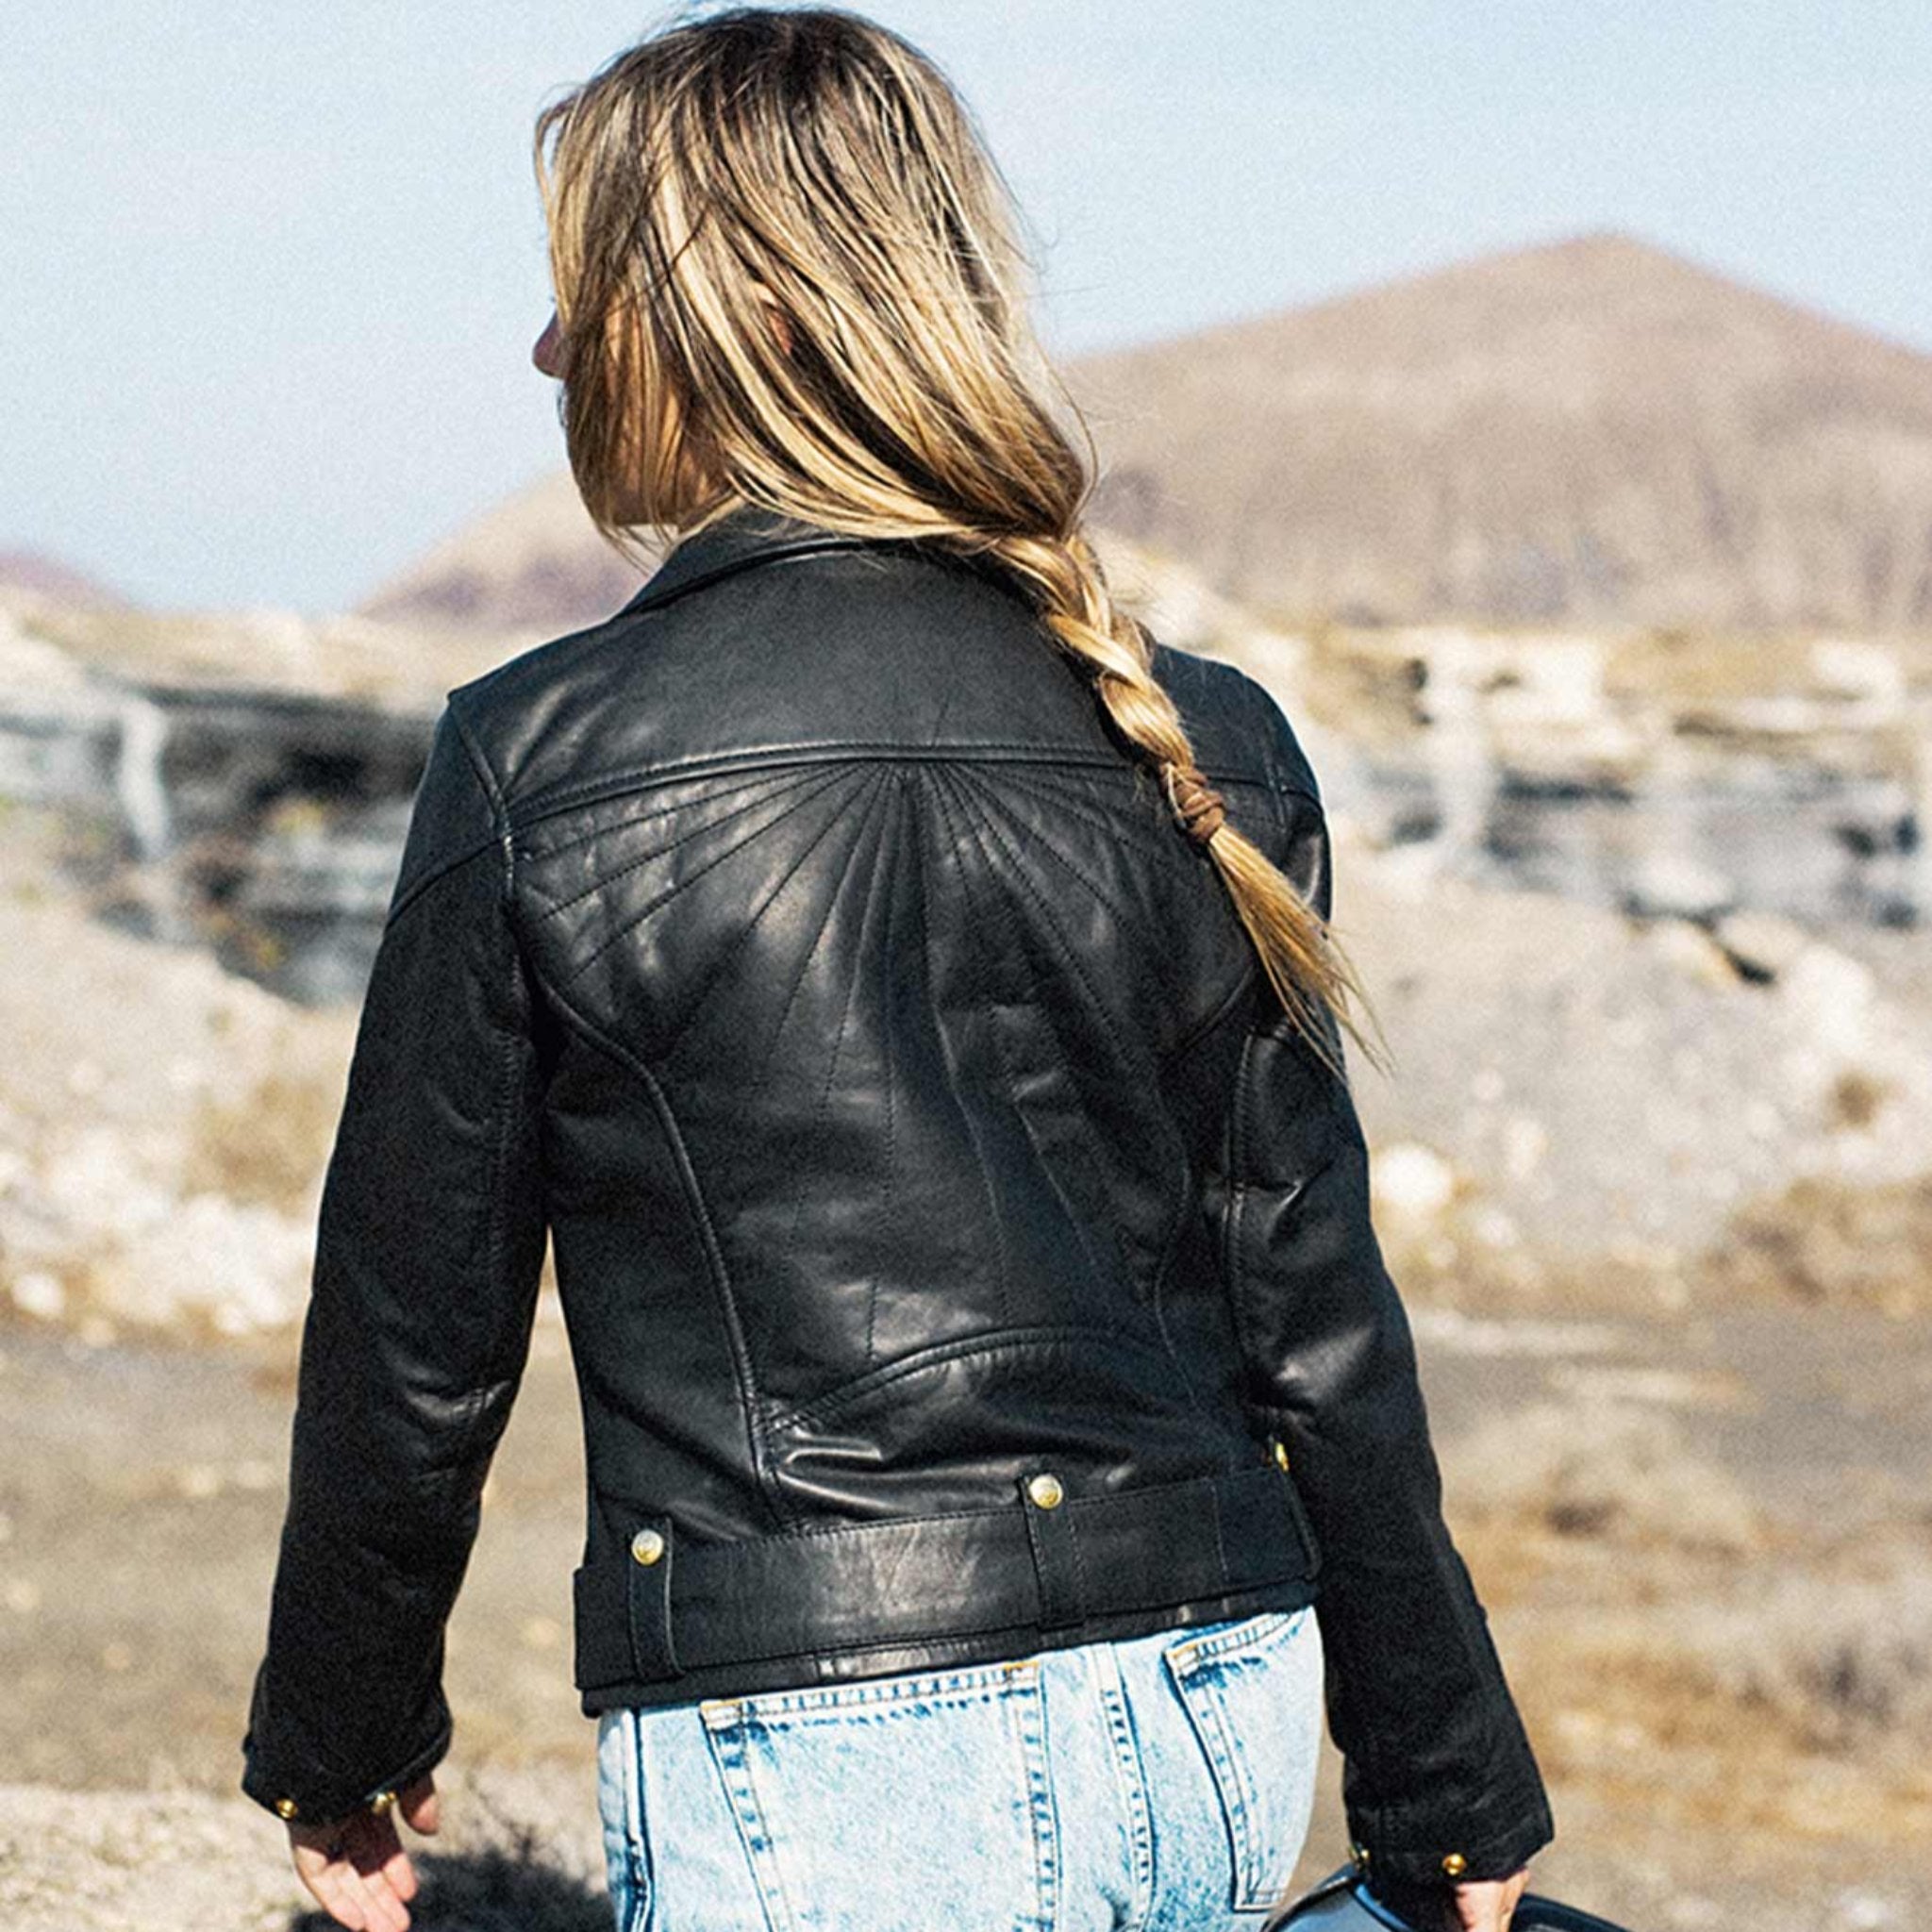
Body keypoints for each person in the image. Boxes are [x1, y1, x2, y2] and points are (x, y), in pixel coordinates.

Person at [241, 9, 1554, 1931]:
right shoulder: (1206, 738)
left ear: (736, 316)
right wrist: (1446, 1789)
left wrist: (340, 1744)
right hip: (1216, 1706)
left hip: (830, 1743)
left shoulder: (536, 759)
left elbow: (417, 1345)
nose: (545, 352)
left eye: (580, 293)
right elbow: (1318, 1318)